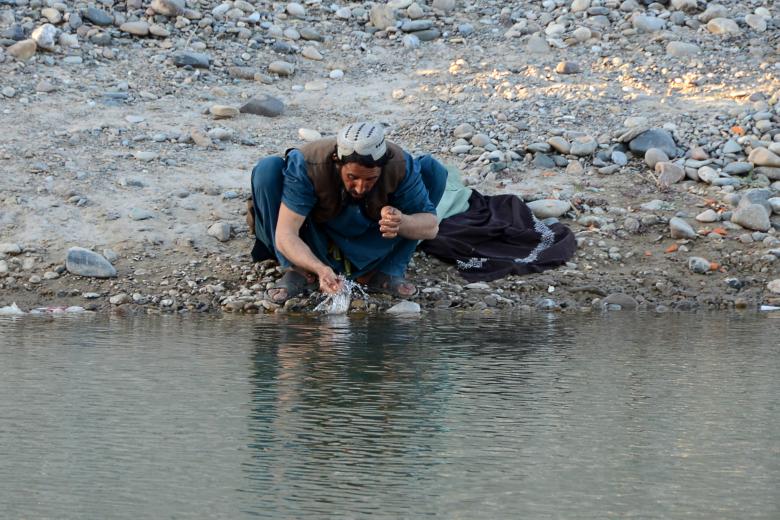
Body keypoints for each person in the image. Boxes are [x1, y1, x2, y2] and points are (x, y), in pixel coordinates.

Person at [247, 122, 448, 303]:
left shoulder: (400, 165)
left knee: (433, 170)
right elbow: (285, 234)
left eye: (370, 179)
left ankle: (383, 271)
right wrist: (320, 269)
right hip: (315, 234)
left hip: (371, 233)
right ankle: (299, 270)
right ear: (337, 162)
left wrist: (401, 221)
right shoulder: (308, 163)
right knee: (267, 170)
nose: (360, 188)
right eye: (352, 177)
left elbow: (431, 227)